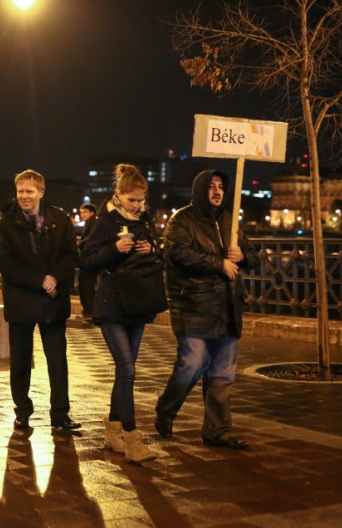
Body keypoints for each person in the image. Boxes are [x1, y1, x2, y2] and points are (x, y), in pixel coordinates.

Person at [154, 170, 256, 449]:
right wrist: (218, 263)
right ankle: (166, 409)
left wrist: (243, 257)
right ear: (200, 189)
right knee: (192, 363)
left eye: (221, 186)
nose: (217, 191)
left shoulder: (230, 221)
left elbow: (253, 255)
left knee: (223, 374)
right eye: (211, 186)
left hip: (227, 307)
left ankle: (217, 431)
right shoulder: (182, 220)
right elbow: (177, 253)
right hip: (194, 305)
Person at [80, 164, 161, 463]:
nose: (136, 205)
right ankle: (132, 439)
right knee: (127, 370)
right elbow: (86, 261)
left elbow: (161, 254)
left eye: (140, 200)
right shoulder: (104, 222)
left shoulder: (146, 222)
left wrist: (151, 249)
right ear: (119, 194)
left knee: (124, 371)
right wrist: (115, 248)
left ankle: (113, 430)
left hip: (137, 303)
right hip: (112, 304)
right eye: (131, 199)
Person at [0, 169, 81, 431]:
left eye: (29, 191)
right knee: (20, 361)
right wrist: (42, 280)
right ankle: (22, 410)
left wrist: (55, 277)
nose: (24, 196)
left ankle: (60, 414)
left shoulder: (60, 219)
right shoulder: (6, 224)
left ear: (41, 192)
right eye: (20, 191)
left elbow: (70, 255)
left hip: (52, 302)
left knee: (57, 361)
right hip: (21, 302)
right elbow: (8, 265)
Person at [76, 203, 98, 320]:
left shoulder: (95, 224)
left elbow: (91, 239)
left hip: (91, 259)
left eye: (85, 212)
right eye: (81, 212)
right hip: (87, 259)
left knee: (87, 285)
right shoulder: (89, 224)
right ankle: (87, 312)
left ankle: (90, 312)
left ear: (92, 213)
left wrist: (79, 244)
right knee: (83, 285)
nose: (82, 214)